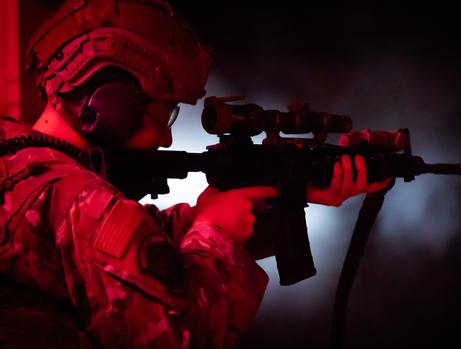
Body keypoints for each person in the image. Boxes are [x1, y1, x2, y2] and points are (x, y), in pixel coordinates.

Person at [0, 1, 393, 348]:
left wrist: (236, 207)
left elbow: (121, 255)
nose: (168, 135)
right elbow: (180, 336)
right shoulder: (81, 200)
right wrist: (216, 237)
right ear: (110, 104)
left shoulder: (20, 168)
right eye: (164, 111)